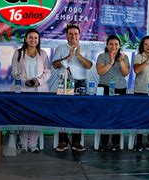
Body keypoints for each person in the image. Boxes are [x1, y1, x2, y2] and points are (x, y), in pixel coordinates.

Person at [52, 24, 92, 152]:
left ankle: (76, 142)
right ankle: (62, 141)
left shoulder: (85, 48)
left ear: (79, 35)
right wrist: (68, 57)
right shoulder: (60, 48)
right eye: (70, 33)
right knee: (62, 112)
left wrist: (78, 56)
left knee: (79, 113)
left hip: (80, 83)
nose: (73, 36)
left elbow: (89, 66)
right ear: (66, 35)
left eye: (76, 34)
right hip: (64, 83)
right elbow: (55, 65)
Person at [11, 29, 51, 153]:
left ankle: (33, 144)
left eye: (36, 38)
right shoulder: (18, 53)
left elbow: (48, 72)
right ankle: (23, 144)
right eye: (30, 37)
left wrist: (38, 81)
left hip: (40, 90)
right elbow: (14, 71)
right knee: (24, 116)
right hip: (22, 90)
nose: (33, 40)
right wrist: (24, 81)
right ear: (26, 39)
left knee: (37, 117)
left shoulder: (43, 54)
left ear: (38, 40)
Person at [96, 35, 130, 151]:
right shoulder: (102, 56)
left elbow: (126, 73)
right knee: (105, 116)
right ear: (107, 45)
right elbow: (100, 72)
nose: (113, 46)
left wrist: (120, 62)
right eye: (111, 44)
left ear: (119, 46)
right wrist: (110, 62)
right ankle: (103, 143)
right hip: (104, 88)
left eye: (116, 44)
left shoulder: (124, 57)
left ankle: (116, 143)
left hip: (120, 89)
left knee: (118, 116)